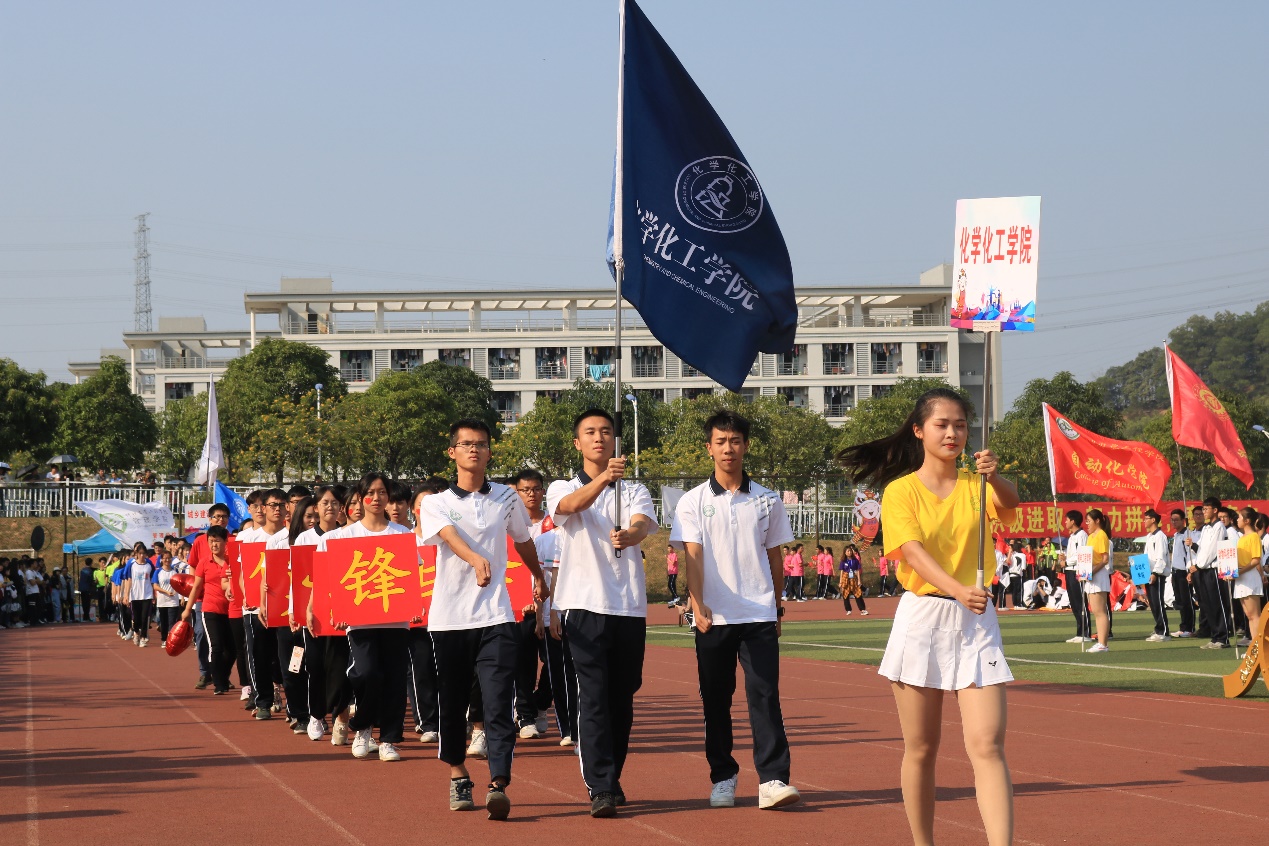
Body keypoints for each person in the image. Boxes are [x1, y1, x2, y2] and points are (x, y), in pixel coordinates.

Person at [837, 387, 1017, 846]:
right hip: (925, 618)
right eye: (942, 424)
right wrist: (957, 589)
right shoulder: (901, 491)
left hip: (976, 623)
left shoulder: (978, 485)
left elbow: (1011, 505)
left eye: (960, 425)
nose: (953, 433)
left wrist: (994, 479)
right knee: (921, 748)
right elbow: (912, 553)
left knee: (988, 744)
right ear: (919, 431)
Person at [418, 420, 547, 820]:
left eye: (482, 445)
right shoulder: (436, 502)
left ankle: (498, 782)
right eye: (466, 444)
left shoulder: (507, 497)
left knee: (497, 699)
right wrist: (474, 558)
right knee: (453, 702)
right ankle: (458, 774)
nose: (474, 450)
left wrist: (538, 576)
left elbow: (523, 540)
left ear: (490, 452)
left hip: (496, 616)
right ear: (452, 452)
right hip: (450, 619)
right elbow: (448, 536)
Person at [674, 409, 800, 811]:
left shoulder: (766, 499)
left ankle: (773, 779)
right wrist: (698, 605)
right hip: (714, 617)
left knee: (765, 697)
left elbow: (775, 556)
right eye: (721, 441)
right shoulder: (692, 501)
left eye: (736, 441)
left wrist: (776, 607)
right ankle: (723, 777)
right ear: (708, 448)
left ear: (746, 445)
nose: (728, 448)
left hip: (759, 614)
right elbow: (692, 555)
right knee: (716, 700)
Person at [547, 408, 657, 818]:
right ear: (578, 443)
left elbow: (644, 523)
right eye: (590, 433)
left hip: (627, 605)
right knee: (592, 697)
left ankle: (612, 775)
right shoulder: (563, 485)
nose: (599, 438)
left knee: (622, 696)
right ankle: (601, 786)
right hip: (583, 603)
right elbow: (569, 506)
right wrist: (602, 480)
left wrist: (632, 534)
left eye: (606, 432)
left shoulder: (633, 488)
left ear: (615, 441)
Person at [317, 473, 415, 763]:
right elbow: (327, 579)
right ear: (359, 498)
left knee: (395, 680)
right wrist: (332, 609)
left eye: (381, 492)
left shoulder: (402, 535)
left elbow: (415, 575)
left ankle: (388, 740)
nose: (376, 498)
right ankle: (362, 730)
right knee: (367, 673)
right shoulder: (341, 537)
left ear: (388, 497)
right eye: (370, 493)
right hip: (359, 621)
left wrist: (418, 604)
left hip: (397, 620)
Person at [296, 483, 352, 744]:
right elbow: (297, 579)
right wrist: (295, 612)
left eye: (334, 502)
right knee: (315, 665)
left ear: (342, 507)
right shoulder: (304, 538)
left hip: (341, 613)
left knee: (339, 668)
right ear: (316, 508)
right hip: (315, 610)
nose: (330, 507)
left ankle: (339, 714)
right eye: (324, 503)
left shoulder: (348, 535)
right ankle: (316, 715)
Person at [267, 495, 315, 736]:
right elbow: (269, 575)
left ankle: (314, 712)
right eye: (308, 517)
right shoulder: (281, 542)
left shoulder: (324, 540)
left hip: (315, 618)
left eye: (315, 517)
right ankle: (299, 712)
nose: (312, 521)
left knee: (313, 666)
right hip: (288, 616)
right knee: (293, 666)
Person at [406, 480, 446, 745]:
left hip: (446, 616)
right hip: (416, 619)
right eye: (421, 504)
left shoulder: (447, 539)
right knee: (421, 671)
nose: (425, 509)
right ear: (413, 509)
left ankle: (451, 719)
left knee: (447, 671)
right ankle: (427, 722)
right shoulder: (403, 540)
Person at [181, 525, 235, 694]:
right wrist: (187, 609)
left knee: (232, 649)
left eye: (217, 541)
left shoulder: (231, 560)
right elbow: (196, 587)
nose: (213, 545)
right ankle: (219, 683)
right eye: (211, 541)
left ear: (225, 542)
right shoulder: (204, 562)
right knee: (216, 646)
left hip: (230, 610)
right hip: (210, 608)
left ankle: (223, 676)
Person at [1190, 497, 1232, 649]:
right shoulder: (1207, 528)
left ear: (1215, 510)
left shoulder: (1219, 527)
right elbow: (1201, 550)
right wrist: (1196, 565)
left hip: (1213, 569)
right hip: (1202, 569)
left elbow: (1212, 551)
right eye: (1203, 508)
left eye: (1207, 509)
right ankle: (1214, 636)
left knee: (1218, 603)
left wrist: (1199, 565)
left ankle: (1223, 637)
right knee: (1207, 604)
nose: (1204, 511)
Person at [1084, 509, 1114, 653]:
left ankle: (1103, 643)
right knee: (1095, 610)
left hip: (1098, 573)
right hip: (1090, 574)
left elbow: (1105, 559)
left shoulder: (1102, 535)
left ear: (1097, 521)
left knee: (1101, 610)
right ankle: (1100, 642)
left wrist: (1092, 572)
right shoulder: (1090, 537)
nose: (1087, 523)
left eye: (1089, 520)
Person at [1059, 512, 1091, 643]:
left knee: (1081, 602)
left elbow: (1081, 554)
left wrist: (1067, 561)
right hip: (1069, 571)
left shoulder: (1082, 536)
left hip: (1079, 571)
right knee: (1074, 603)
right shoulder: (1072, 536)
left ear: (1073, 521)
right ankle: (1079, 632)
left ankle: (1086, 632)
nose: (1065, 522)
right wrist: (1064, 558)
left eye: (1066, 520)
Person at [1140, 509, 1171, 642]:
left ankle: (1163, 631)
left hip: (1156, 574)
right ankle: (1159, 628)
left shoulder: (1160, 536)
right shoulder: (1149, 536)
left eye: (1146, 518)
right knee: (1152, 603)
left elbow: (1161, 558)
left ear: (1153, 520)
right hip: (1148, 573)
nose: (1144, 521)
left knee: (1158, 602)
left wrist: (1155, 573)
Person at [1234, 508, 1264, 646]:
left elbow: (1255, 560)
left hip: (1249, 576)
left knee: (1254, 615)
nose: (1237, 520)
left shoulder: (1254, 536)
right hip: (1241, 576)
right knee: (1249, 615)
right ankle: (1254, 644)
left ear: (1247, 521)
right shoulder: (1242, 537)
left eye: (1239, 517)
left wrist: (1240, 571)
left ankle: (1259, 645)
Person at [1168, 509, 1196, 638]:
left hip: (1184, 571)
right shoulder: (1176, 535)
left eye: (1176, 519)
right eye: (1172, 519)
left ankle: (1189, 627)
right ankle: (1183, 626)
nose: (1174, 522)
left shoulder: (1186, 534)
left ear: (1183, 521)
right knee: (1180, 600)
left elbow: (1189, 555)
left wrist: (1189, 570)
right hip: (1175, 572)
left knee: (1187, 600)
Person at [155, 551, 182, 642]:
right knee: (164, 622)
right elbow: (155, 586)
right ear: (161, 560)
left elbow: (180, 584)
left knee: (172, 622)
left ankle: (171, 640)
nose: (167, 560)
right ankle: (164, 639)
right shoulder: (158, 571)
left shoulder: (175, 571)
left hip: (173, 601)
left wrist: (180, 595)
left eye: (169, 558)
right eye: (165, 558)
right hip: (162, 601)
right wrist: (166, 592)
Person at [839, 546, 867, 616]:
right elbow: (842, 571)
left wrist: (859, 581)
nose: (849, 552)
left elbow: (857, 571)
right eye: (848, 551)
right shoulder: (843, 561)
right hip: (845, 579)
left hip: (853, 578)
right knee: (845, 595)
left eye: (850, 551)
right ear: (845, 553)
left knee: (858, 593)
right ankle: (848, 610)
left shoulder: (855, 560)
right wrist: (840, 582)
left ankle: (862, 609)